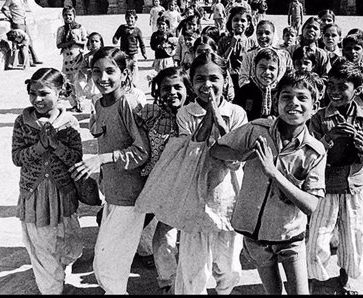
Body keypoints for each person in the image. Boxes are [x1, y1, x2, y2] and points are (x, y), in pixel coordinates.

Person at [209, 70, 327, 295]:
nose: (293, 103)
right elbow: (216, 150)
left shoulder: (314, 151)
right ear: (276, 101)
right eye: (286, 96)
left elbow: (310, 205)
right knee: (272, 292)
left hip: (289, 236)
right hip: (256, 236)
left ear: (315, 105)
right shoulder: (257, 130)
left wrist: (274, 174)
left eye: (302, 97)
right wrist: (242, 154)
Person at [70, 47, 150, 294]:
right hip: (112, 192)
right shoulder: (101, 103)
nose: (103, 78)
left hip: (129, 195)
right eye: (96, 72)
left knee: (110, 266)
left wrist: (102, 158)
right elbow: (100, 131)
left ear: (124, 74)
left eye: (110, 71)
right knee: (104, 262)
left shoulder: (128, 102)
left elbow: (141, 151)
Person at [173, 53, 248, 295]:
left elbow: (234, 156)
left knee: (229, 267)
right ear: (191, 82)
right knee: (194, 270)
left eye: (214, 78)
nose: (207, 85)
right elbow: (191, 153)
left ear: (226, 80)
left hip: (228, 200)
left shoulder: (236, 113)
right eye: (199, 79)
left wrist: (217, 114)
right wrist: (208, 115)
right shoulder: (185, 114)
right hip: (194, 199)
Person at [307, 60, 363, 294]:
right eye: (331, 86)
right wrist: (329, 138)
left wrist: (362, 147)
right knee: (318, 238)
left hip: (354, 187)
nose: (335, 91)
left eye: (342, 87)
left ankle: (345, 277)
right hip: (325, 188)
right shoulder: (318, 118)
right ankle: (316, 279)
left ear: (357, 90)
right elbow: (308, 153)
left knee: (354, 238)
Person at [12, 68, 83, 294]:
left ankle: (62, 268)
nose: (37, 99)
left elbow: (76, 159)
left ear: (60, 92)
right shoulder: (22, 122)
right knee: (41, 245)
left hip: (62, 192)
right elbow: (16, 157)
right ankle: (51, 289)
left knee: (67, 241)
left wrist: (56, 145)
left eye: (44, 93)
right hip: (35, 193)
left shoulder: (70, 122)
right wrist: (39, 147)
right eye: (32, 93)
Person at [135, 67, 190, 293]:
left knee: (187, 241)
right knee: (162, 238)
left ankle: (187, 283)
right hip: (155, 185)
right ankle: (169, 282)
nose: (172, 92)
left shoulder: (194, 114)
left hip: (186, 187)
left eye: (178, 87)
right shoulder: (150, 113)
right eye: (166, 88)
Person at [238, 19, 292, 88]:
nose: (263, 36)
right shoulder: (249, 56)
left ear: (273, 34)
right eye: (260, 33)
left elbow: (290, 77)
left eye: (267, 33)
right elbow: (243, 79)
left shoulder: (283, 55)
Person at [234, 48, 282, 120]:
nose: (267, 72)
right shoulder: (244, 92)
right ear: (254, 68)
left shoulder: (281, 93)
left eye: (272, 68)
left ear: (278, 71)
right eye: (262, 67)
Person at [1, 0, 42, 65]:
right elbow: (4, 8)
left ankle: (35, 58)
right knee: (23, 43)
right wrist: (10, 17)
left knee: (29, 41)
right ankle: (28, 62)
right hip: (17, 22)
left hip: (23, 21)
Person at [217, 6, 257, 93]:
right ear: (230, 23)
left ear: (248, 24)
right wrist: (232, 45)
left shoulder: (251, 43)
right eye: (235, 20)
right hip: (227, 80)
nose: (239, 23)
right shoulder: (223, 41)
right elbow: (220, 62)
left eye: (243, 20)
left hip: (246, 81)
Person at [56, 6, 88, 112]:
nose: (67, 17)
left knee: (78, 83)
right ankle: (73, 104)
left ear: (74, 16)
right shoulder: (61, 30)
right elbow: (58, 45)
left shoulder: (80, 28)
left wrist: (77, 42)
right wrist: (69, 42)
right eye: (65, 15)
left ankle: (81, 103)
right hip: (67, 60)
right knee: (67, 84)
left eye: (70, 15)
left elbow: (86, 41)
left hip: (77, 59)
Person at [112, 9, 147, 86]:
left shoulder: (137, 30)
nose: (129, 20)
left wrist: (144, 53)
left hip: (133, 53)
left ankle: (134, 82)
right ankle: (124, 81)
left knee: (134, 66)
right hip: (124, 52)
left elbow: (142, 43)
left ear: (135, 19)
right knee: (124, 66)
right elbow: (116, 36)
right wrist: (115, 39)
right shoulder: (122, 28)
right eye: (127, 18)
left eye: (131, 18)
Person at [342, 34, 363, 108]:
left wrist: (357, 85)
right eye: (348, 48)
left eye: (357, 48)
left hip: (359, 110)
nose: (352, 51)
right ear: (343, 50)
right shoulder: (337, 69)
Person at [77, 32, 103, 109]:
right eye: (92, 41)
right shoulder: (87, 56)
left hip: (102, 79)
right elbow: (82, 68)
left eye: (96, 41)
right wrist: (88, 71)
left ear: (101, 43)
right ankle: (94, 114)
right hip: (92, 80)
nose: (94, 43)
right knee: (94, 96)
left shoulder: (104, 55)